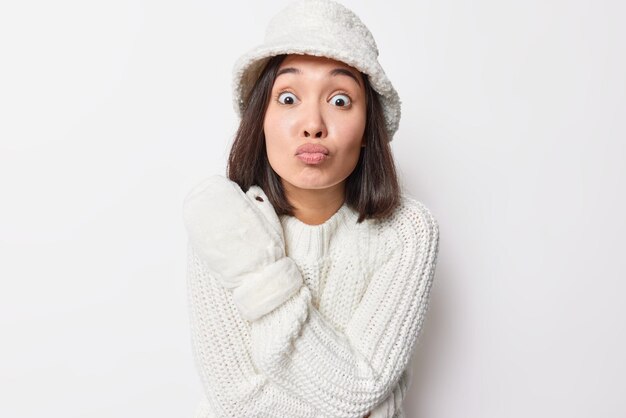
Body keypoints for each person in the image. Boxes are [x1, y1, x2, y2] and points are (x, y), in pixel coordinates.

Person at [182, 1, 440, 417]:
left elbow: (360, 389)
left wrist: (263, 279)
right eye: (288, 97)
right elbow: (236, 401)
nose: (313, 123)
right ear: (259, 118)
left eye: (340, 100)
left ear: (368, 128)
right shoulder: (224, 224)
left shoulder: (408, 232)